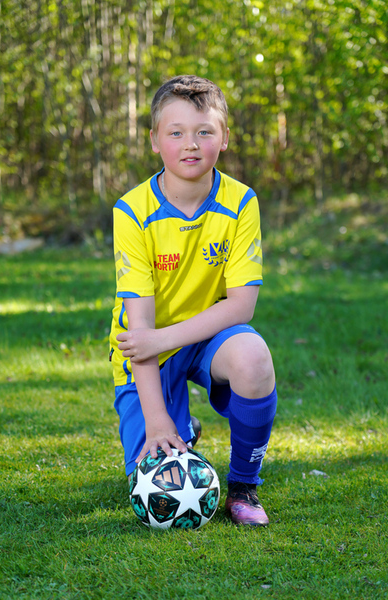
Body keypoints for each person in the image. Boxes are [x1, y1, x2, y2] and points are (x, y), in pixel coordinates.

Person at [109, 75, 277, 526]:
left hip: (207, 337)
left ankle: (243, 487)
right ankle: (180, 425)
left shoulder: (241, 202)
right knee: (155, 483)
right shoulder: (132, 211)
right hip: (146, 351)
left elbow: (241, 306)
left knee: (254, 358)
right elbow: (140, 332)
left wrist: (166, 337)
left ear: (224, 138)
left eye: (204, 131)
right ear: (154, 140)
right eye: (176, 132)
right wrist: (157, 420)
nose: (190, 144)